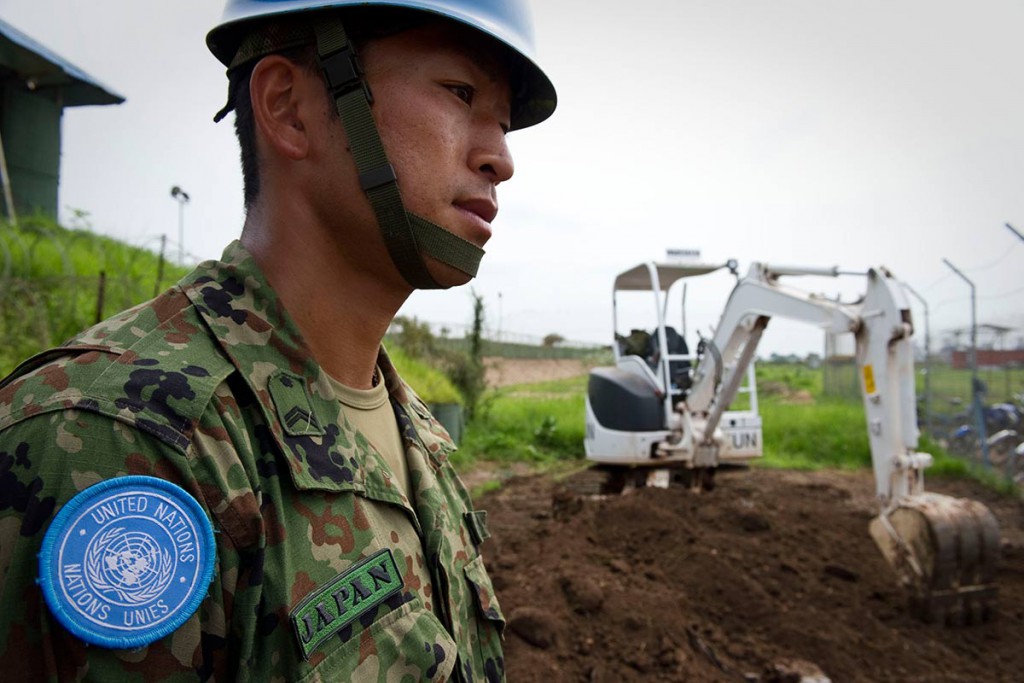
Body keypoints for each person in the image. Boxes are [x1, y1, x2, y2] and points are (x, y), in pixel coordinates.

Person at [0, 0, 556, 680]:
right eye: (461, 93)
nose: (500, 158)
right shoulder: (118, 439)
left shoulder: (419, 440)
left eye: (502, 122)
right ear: (289, 108)